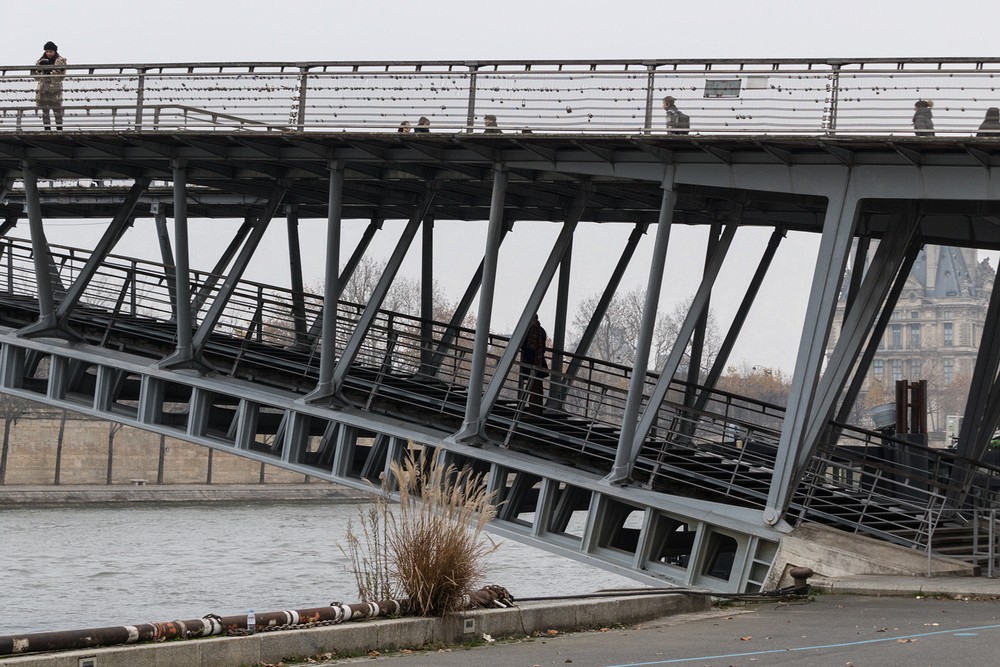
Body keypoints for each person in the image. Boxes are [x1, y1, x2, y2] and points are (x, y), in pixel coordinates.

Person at [32, 41, 67, 131]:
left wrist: (49, 69)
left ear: (55, 51)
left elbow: (61, 75)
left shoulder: (60, 61)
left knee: (57, 111)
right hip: (43, 89)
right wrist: (41, 69)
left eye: (51, 51)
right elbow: (35, 77)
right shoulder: (40, 61)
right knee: (45, 111)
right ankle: (47, 129)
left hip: (55, 90)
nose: (49, 53)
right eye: (47, 51)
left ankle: (59, 130)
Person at [519, 315, 548, 416]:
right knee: (538, 388)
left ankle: (534, 411)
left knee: (533, 388)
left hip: (532, 362)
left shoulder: (532, 331)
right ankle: (537, 410)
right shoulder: (541, 330)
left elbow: (527, 346)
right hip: (539, 362)